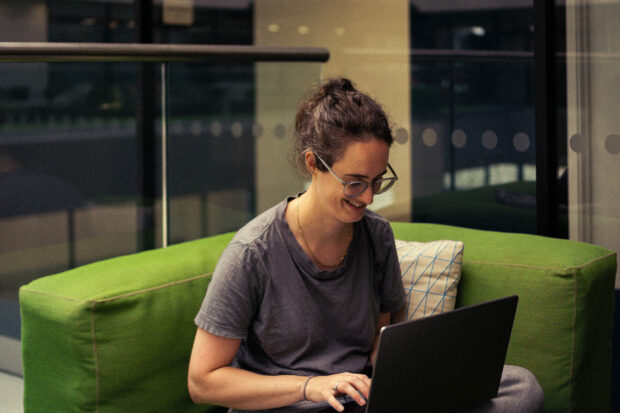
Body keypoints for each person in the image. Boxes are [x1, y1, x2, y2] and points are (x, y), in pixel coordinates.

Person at [188, 78, 544, 413]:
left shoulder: (375, 236)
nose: (369, 198)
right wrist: (310, 386)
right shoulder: (252, 253)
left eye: (378, 181)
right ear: (313, 163)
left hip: (361, 401)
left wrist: (413, 372)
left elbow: (380, 337)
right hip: (290, 404)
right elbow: (203, 382)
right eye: (355, 182)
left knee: (520, 387)